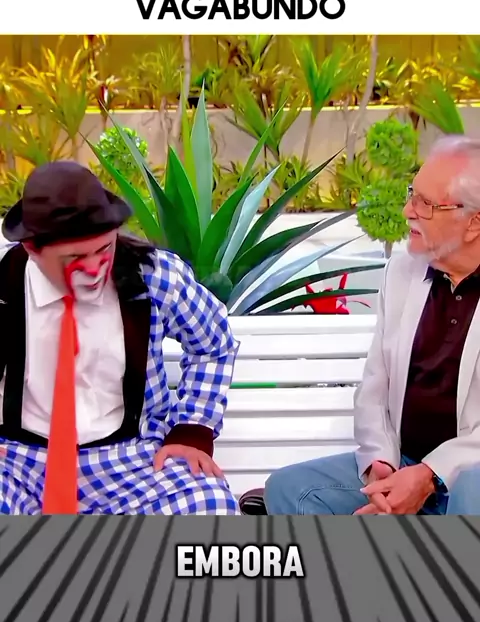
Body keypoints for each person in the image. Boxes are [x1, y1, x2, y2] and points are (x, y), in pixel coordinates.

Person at [0, 161, 241, 515]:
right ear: (33, 249)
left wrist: (192, 430)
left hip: (132, 458)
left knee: (211, 508)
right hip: (19, 460)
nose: (94, 268)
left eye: (104, 250)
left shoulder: (154, 277)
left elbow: (214, 342)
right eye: (75, 257)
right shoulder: (3, 284)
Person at [265, 136, 480, 515]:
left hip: (465, 474)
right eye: (413, 195)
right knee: (291, 491)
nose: (408, 211)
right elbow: (374, 388)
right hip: (404, 463)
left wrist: (431, 474)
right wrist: (381, 465)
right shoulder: (402, 271)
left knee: (472, 490)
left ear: (473, 222)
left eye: (426, 204)